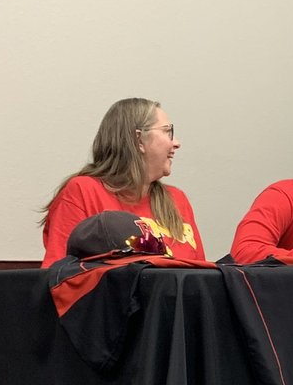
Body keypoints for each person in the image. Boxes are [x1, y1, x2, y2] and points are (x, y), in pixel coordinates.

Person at [40, 98, 205, 267]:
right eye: (167, 131)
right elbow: (61, 275)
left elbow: (201, 276)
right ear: (139, 140)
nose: (176, 143)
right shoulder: (83, 191)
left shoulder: (177, 199)